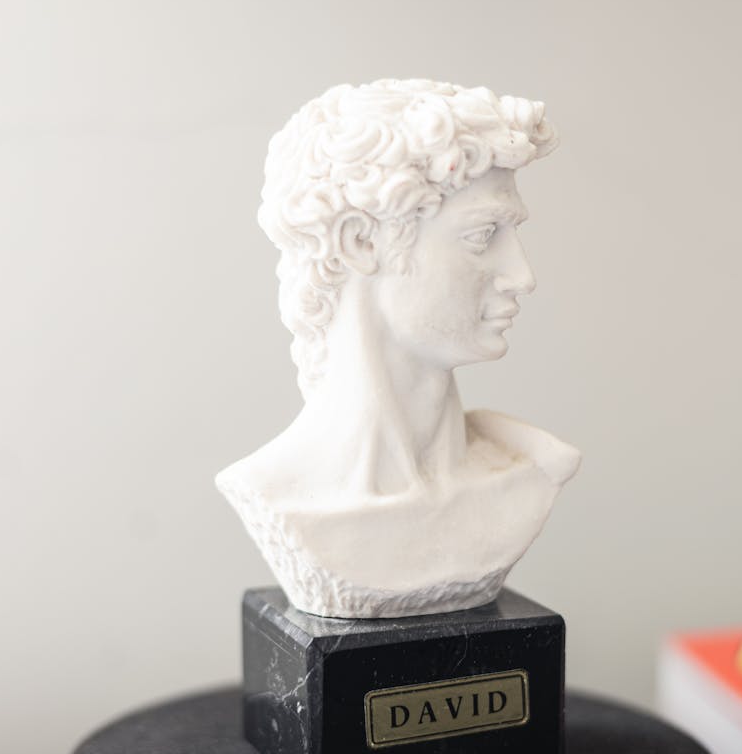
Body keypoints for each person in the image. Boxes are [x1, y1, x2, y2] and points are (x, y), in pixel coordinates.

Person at [216, 79, 580, 618]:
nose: (521, 276)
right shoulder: (276, 495)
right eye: (483, 235)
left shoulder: (534, 467)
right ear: (361, 242)